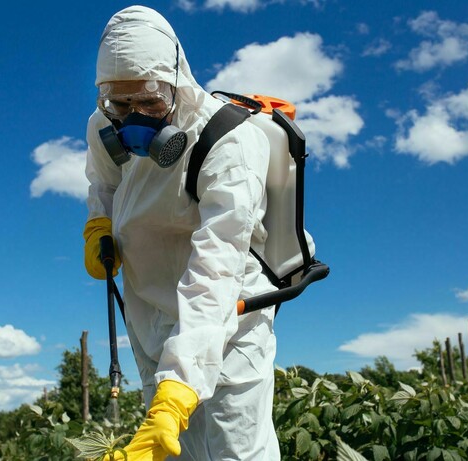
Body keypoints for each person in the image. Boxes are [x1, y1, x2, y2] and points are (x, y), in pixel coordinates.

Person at [83, 5, 280, 461]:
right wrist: (98, 224)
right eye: (120, 104)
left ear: (176, 81)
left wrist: (178, 392)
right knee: (173, 450)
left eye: (150, 102)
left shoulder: (229, 139)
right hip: (148, 312)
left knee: (236, 451)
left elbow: (219, 263)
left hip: (230, 316)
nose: (133, 118)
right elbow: (103, 185)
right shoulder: (103, 126)